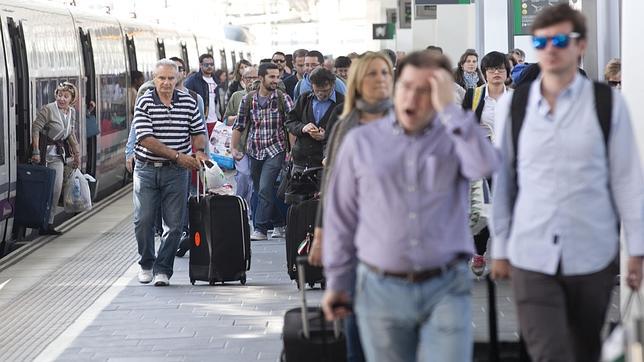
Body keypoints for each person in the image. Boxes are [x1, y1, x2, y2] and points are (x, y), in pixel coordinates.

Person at [321, 50, 499, 362]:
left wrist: (451, 111)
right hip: (380, 287)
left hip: (446, 285)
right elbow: (341, 216)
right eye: (407, 86)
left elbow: (485, 164)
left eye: (425, 90)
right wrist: (337, 281)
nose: (412, 98)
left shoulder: (454, 137)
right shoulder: (361, 141)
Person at [490, 5, 644, 362]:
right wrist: (500, 247)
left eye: (560, 39)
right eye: (541, 41)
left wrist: (635, 250)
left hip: (592, 254)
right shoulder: (514, 106)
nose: (550, 48)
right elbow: (504, 181)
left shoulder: (608, 105)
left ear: (581, 46)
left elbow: (627, 181)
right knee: (550, 353)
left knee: (584, 349)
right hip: (532, 254)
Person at [308, 51, 394, 362]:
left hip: (397, 236)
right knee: (356, 314)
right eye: (372, 74)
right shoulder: (347, 124)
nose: (380, 79)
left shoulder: (407, 118)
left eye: (385, 73)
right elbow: (331, 182)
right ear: (358, 81)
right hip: (356, 234)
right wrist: (320, 234)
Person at [132, 59, 208, 286]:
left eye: (170, 78)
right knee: (143, 220)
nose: (166, 83)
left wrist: (200, 151)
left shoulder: (189, 101)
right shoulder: (144, 102)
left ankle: (162, 269)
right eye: (161, 78)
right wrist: (178, 156)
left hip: (176, 173)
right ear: (154, 79)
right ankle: (146, 263)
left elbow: (197, 130)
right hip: (146, 170)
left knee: (174, 225)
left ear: (178, 79)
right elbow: (145, 139)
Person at [230, 62, 295, 241]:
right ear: (261, 78)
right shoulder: (248, 99)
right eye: (272, 77)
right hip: (255, 150)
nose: (276, 80)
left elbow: (291, 126)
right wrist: (233, 147)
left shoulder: (283, 98)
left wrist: (291, 152)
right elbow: (239, 125)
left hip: (276, 149)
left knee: (265, 187)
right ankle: (279, 222)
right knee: (260, 190)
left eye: (277, 76)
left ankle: (260, 228)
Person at [461, 51, 511, 276]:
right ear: (485, 73)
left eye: (500, 68)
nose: (496, 73)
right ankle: (479, 252)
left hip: (509, 162)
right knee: (484, 207)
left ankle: (506, 255)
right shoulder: (474, 95)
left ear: (507, 71)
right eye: (491, 69)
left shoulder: (516, 97)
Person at [31, 82, 81, 235]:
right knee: (44, 190)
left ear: (72, 99)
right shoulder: (48, 109)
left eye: (66, 96)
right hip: (45, 156)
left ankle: (49, 223)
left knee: (56, 189)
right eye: (59, 95)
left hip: (58, 156)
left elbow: (70, 133)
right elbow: (36, 128)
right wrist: (36, 151)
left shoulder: (71, 112)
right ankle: (40, 222)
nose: (62, 99)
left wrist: (77, 153)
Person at [285, 67, 344, 170]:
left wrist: (326, 136)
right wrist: (303, 128)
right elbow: (290, 122)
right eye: (317, 90)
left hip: (327, 164)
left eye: (325, 90)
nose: (321, 94)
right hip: (301, 162)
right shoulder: (304, 99)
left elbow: (348, 132)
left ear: (333, 85)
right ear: (312, 86)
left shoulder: (343, 103)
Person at [224, 66, 259, 214]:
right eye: (247, 78)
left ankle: (252, 210)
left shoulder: (267, 95)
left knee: (255, 180)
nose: (251, 81)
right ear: (242, 80)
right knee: (243, 176)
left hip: (259, 146)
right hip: (241, 145)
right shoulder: (237, 96)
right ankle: (241, 207)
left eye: (254, 77)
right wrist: (242, 116)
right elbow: (227, 119)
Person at [185, 53, 220, 135]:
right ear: (200, 65)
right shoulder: (193, 80)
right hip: (201, 122)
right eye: (206, 64)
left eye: (212, 64)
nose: (209, 67)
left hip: (216, 122)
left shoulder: (216, 80)